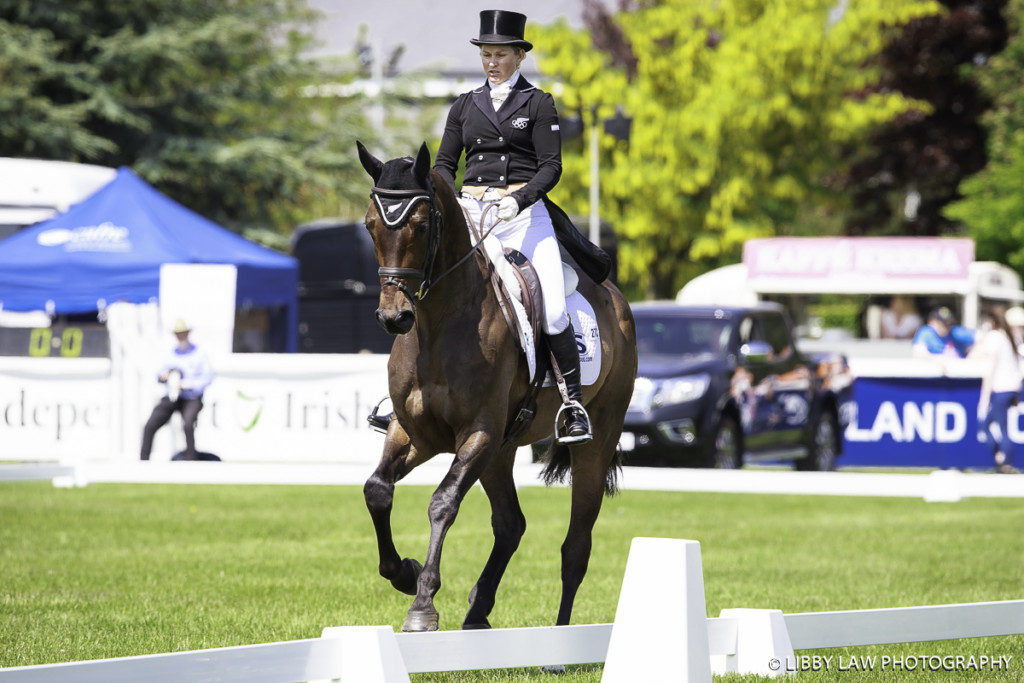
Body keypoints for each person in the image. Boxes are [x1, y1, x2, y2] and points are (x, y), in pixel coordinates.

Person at [433, 9, 592, 444]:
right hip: (472, 214)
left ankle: (573, 403)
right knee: (432, 289)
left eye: (500, 55)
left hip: (523, 217)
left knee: (555, 310)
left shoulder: (538, 104)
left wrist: (518, 199)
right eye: (486, 54)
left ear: (519, 56)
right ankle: (406, 392)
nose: (492, 62)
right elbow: (445, 164)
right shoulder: (464, 105)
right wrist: (452, 201)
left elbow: (551, 166)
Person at [140, 319, 214, 460]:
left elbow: (208, 376)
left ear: (188, 334)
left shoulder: (199, 353)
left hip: (191, 397)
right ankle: (143, 460)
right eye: (178, 334)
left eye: (183, 333)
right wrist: (164, 376)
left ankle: (191, 458)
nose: (180, 337)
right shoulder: (171, 354)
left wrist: (190, 384)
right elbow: (159, 374)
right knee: (150, 425)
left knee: (187, 424)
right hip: (172, 396)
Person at [974, 309, 1022, 474]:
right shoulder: (1007, 338)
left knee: (994, 427)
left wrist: (985, 396)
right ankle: (1002, 460)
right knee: (999, 426)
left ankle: (1004, 461)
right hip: (1011, 389)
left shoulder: (996, 337)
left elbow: (991, 367)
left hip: (1001, 389)